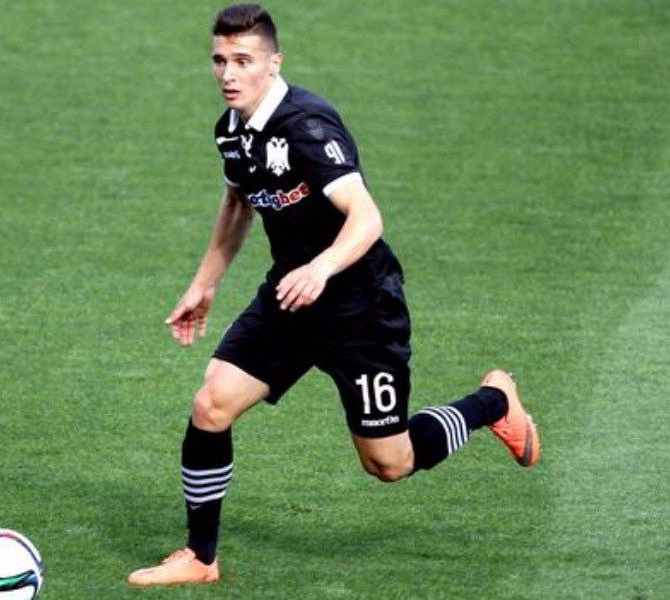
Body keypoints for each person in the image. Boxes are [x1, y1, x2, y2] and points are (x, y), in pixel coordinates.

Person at [127, 3, 540, 587]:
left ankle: (493, 402)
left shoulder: (308, 126)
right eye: (219, 61)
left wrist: (321, 268)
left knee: (389, 463)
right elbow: (238, 203)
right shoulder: (232, 130)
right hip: (293, 298)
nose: (228, 74)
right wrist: (204, 284)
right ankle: (201, 557)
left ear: (274, 62)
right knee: (211, 404)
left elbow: (366, 217)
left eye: (242, 61)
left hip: (360, 309)